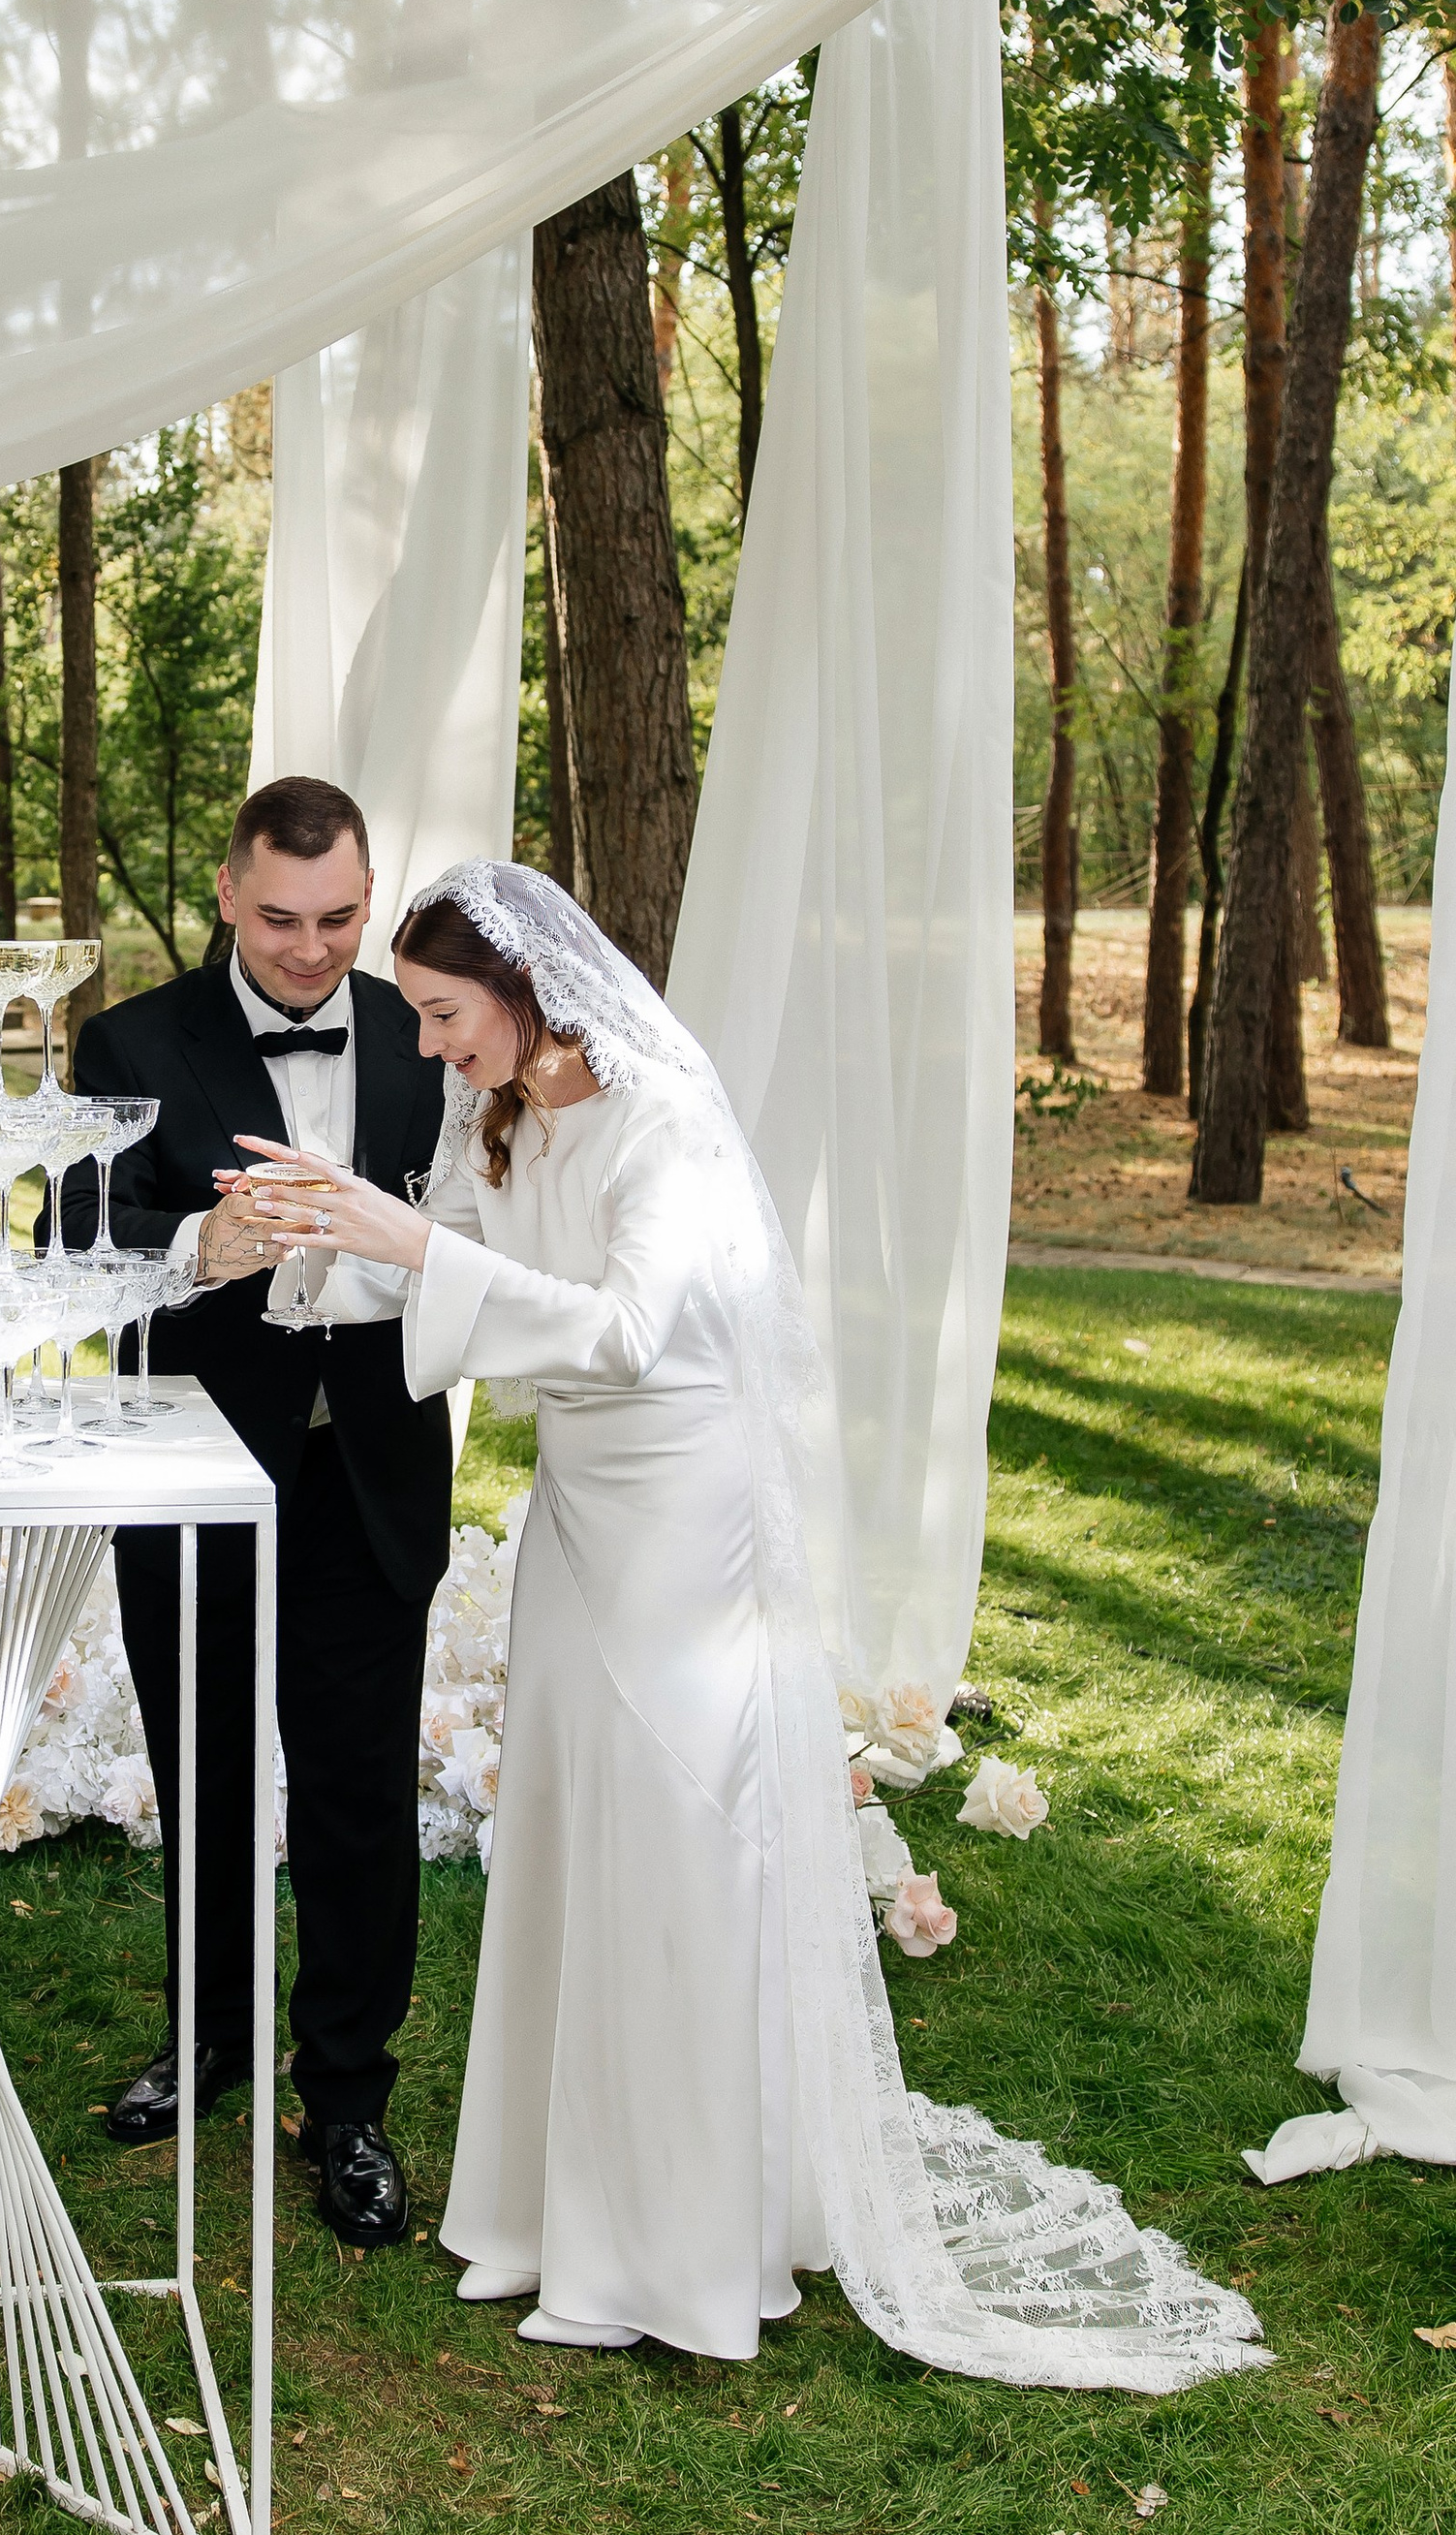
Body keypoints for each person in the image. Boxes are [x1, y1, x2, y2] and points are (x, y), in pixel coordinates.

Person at [239, 859, 1267, 2390]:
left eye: (450, 1018)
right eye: (426, 1021)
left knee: (673, 1835)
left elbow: (629, 1325)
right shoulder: (504, 1106)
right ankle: (548, 2215)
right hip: (585, 1512)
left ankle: (680, 2243)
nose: (435, 1049)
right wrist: (324, 1230)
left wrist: (411, 1246)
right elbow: (454, 1268)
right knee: (580, 1825)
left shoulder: (664, 1121)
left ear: (527, 994)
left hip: (686, 1520)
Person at [64, 775, 450, 2246]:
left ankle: (348, 2099)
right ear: (228, 893)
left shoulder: (432, 1038)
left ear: (370, 897)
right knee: (207, 1773)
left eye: (340, 917)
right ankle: (211, 2040)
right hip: (193, 1467)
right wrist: (192, 1240)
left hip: (373, 1472)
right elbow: (71, 1231)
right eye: (281, 918)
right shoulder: (134, 1041)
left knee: (358, 1802)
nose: (310, 948)